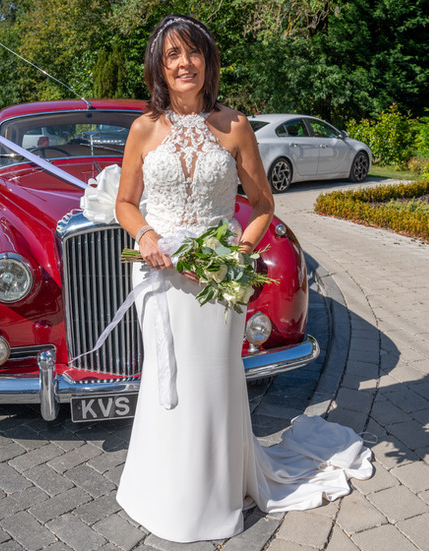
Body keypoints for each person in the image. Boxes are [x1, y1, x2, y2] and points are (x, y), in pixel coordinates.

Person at [114, 14, 374, 543]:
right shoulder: (143, 128)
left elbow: (261, 205)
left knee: (211, 385)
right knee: (167, 382)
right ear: (159, 69)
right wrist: (144, 237)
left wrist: (240, 250)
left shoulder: (234, 127)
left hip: (217, 283)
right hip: (162, 280)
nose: (184, 64)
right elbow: (125, 203)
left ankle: (210, 496)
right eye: (172, 56)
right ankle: (156, 489)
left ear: (208, 62)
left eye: (193, 54)